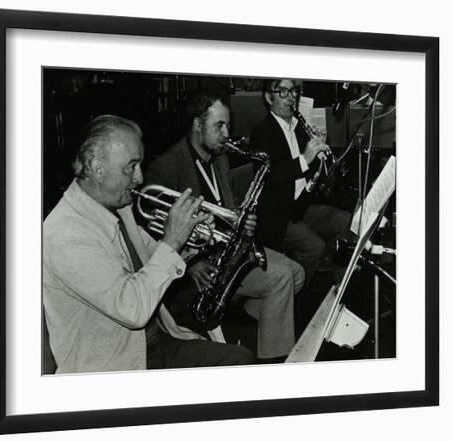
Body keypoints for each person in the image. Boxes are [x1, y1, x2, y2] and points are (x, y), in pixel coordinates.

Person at [43, 114, 254, 374]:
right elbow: (133, 308)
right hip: (113, 366)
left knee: (240, 360)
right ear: (97, 168)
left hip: (152, 343)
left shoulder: (118, 207)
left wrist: (190, 242)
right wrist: (172, 240)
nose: (140, 177)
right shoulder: (65, 233)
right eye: (130, 167)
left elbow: (154, 259)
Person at [145, 91, 305, 361]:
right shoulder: (167, 167)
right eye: (219, 125)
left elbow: (227, 206)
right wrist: (192, 263)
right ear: (198, 125)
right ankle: (274, 361)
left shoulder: (219, 157)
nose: (226, 133)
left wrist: (242, 219)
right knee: (280, 279)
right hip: (202, 264)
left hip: (228, 249)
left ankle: (246, 316)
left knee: (297, 273)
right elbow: (151, 233)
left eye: (228, 125)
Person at [250, 78, 351, 292]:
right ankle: (292, 293)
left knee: (345, 222)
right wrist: (305, 158)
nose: (292, 97)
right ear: (269, 98)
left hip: (302, 206)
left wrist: (321, 153)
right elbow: (269, 177)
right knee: (315, 247)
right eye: (283, 92)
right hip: (278, 214)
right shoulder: (261, 133)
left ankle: (337, 291)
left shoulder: (298, 128)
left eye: (294, 91)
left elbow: (312, 174)